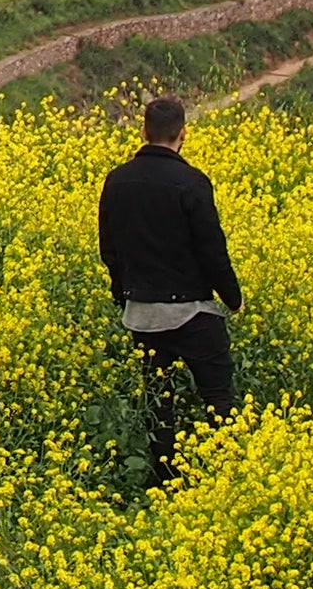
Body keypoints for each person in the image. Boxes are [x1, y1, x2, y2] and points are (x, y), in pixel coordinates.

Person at [98, 94, 241, 482]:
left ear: (143, 130)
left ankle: (165, 478)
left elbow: (108, 247)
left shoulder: (117, 180)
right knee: (217, 396)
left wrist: (124, 291)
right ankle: (224, 475)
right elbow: (212, 247)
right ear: (183, 134)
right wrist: (232, 297)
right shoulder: (191, 182)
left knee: (158, 399)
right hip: (192, 311)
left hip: (142, 313)